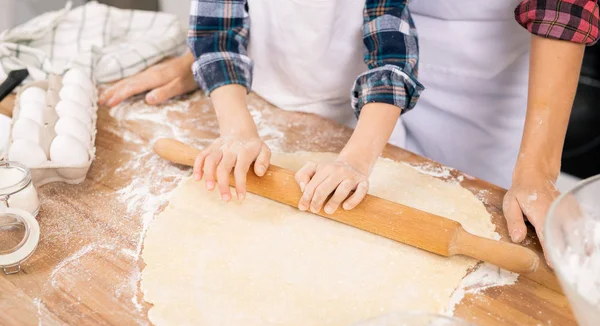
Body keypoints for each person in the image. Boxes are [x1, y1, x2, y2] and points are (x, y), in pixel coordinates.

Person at [100, 0, 599, 249]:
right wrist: (207, 67)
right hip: (312, 102)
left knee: (481, 220)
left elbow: (393, 59)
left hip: (483, 68)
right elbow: (224, 21)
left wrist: (535, 169)